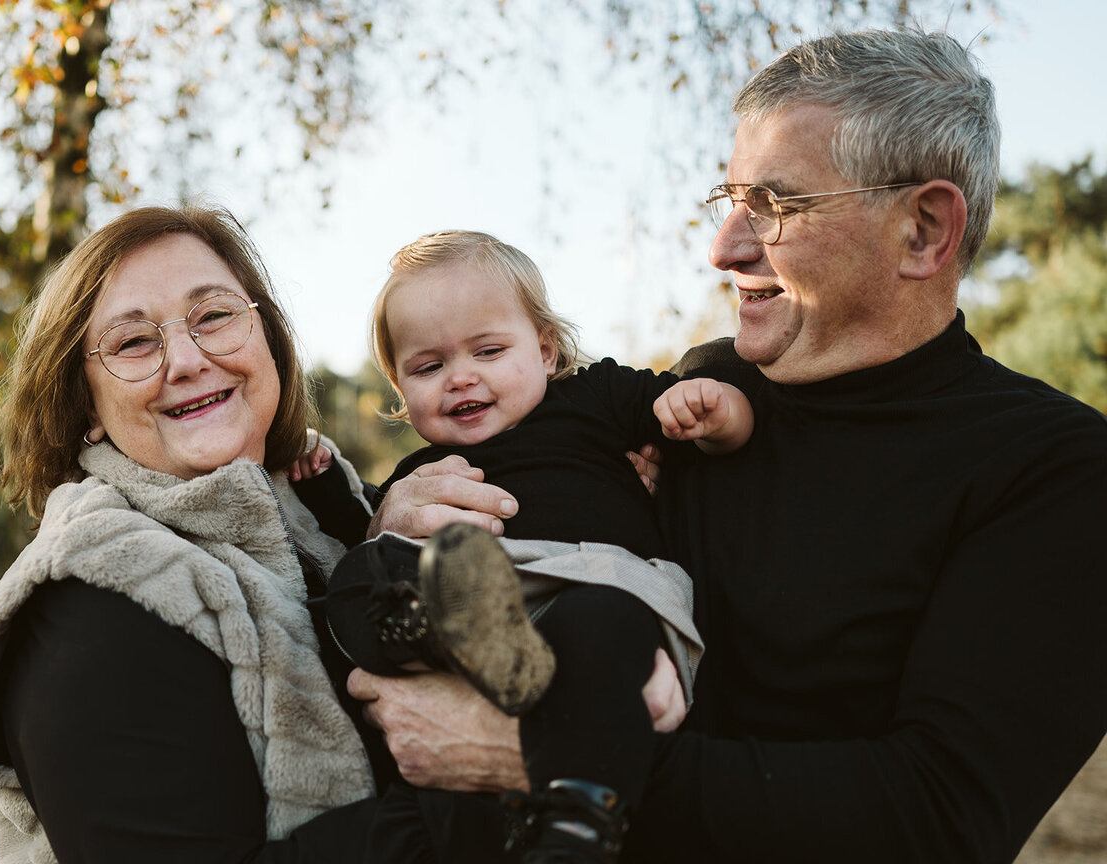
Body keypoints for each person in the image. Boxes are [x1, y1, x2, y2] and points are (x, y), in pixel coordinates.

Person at [345, 28, 1107, 864]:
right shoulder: (701, 394)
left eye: (775, 205)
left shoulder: (1055, 470)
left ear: (923, 229)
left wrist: (544, 756)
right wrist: (403, 513)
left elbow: (939, 819)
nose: (725, 249)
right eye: (731, 200)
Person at [0, 205, 606, 864]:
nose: (187, 359)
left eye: (213, 315)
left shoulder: (332, 511)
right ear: (85, 406)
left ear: (268, 339)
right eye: (133, 343)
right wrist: (510, 775)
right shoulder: (90, 603)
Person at [301, 229, 751, 862]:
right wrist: (326, 489)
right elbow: (366, 531)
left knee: (608, 618)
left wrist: (719, 410)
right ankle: (436, 634)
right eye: (428, 368)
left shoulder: (595, 396)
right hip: (475, 592)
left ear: (544, 351)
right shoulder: (421, 474)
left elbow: (689, 415)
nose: (461, 378)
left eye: (488, 351)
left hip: (597, 580)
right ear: (401, 390)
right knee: (361, 572)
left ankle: (579, 820)